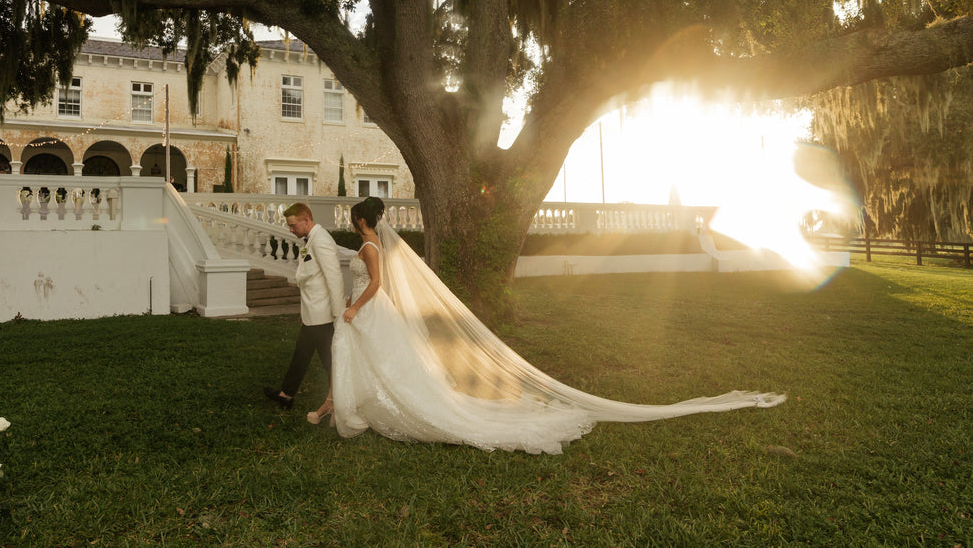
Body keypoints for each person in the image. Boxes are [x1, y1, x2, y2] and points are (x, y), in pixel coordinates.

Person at [327, 197, 785, 455]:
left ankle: (368, 405)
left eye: (354, 219)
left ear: (362, 221)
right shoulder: (377, 246)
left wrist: (352, 307)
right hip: (369, 314)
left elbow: (378, 285)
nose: (354, 223)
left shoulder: (371, 250)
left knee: (392, 364)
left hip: (368, 310)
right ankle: (356, 402)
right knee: (388, 362)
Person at [262, 203, 345, 420]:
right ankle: (286, 395)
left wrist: (338, 314)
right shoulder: (312, 240)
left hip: (323, 316)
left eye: (292, 225)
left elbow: (334, 278)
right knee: (302, 354)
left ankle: (343, 399)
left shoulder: (322, 240)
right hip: (312, 315)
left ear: (306, 220)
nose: (290, 230)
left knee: (330, 362)